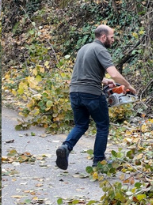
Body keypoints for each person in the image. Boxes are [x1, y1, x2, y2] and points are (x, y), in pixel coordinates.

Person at [56, 25, 136, 170]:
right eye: (111, 37)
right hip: (91, 94)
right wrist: (128, 86)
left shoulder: (84, 48)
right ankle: (98, 160)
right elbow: (114, 74)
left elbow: (84, 73)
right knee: (102, 125)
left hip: (75, 93)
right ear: (103, 37)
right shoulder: (101, 49)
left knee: (81, 124)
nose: (113, 40)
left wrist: (103, 80)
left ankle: (66, 147)